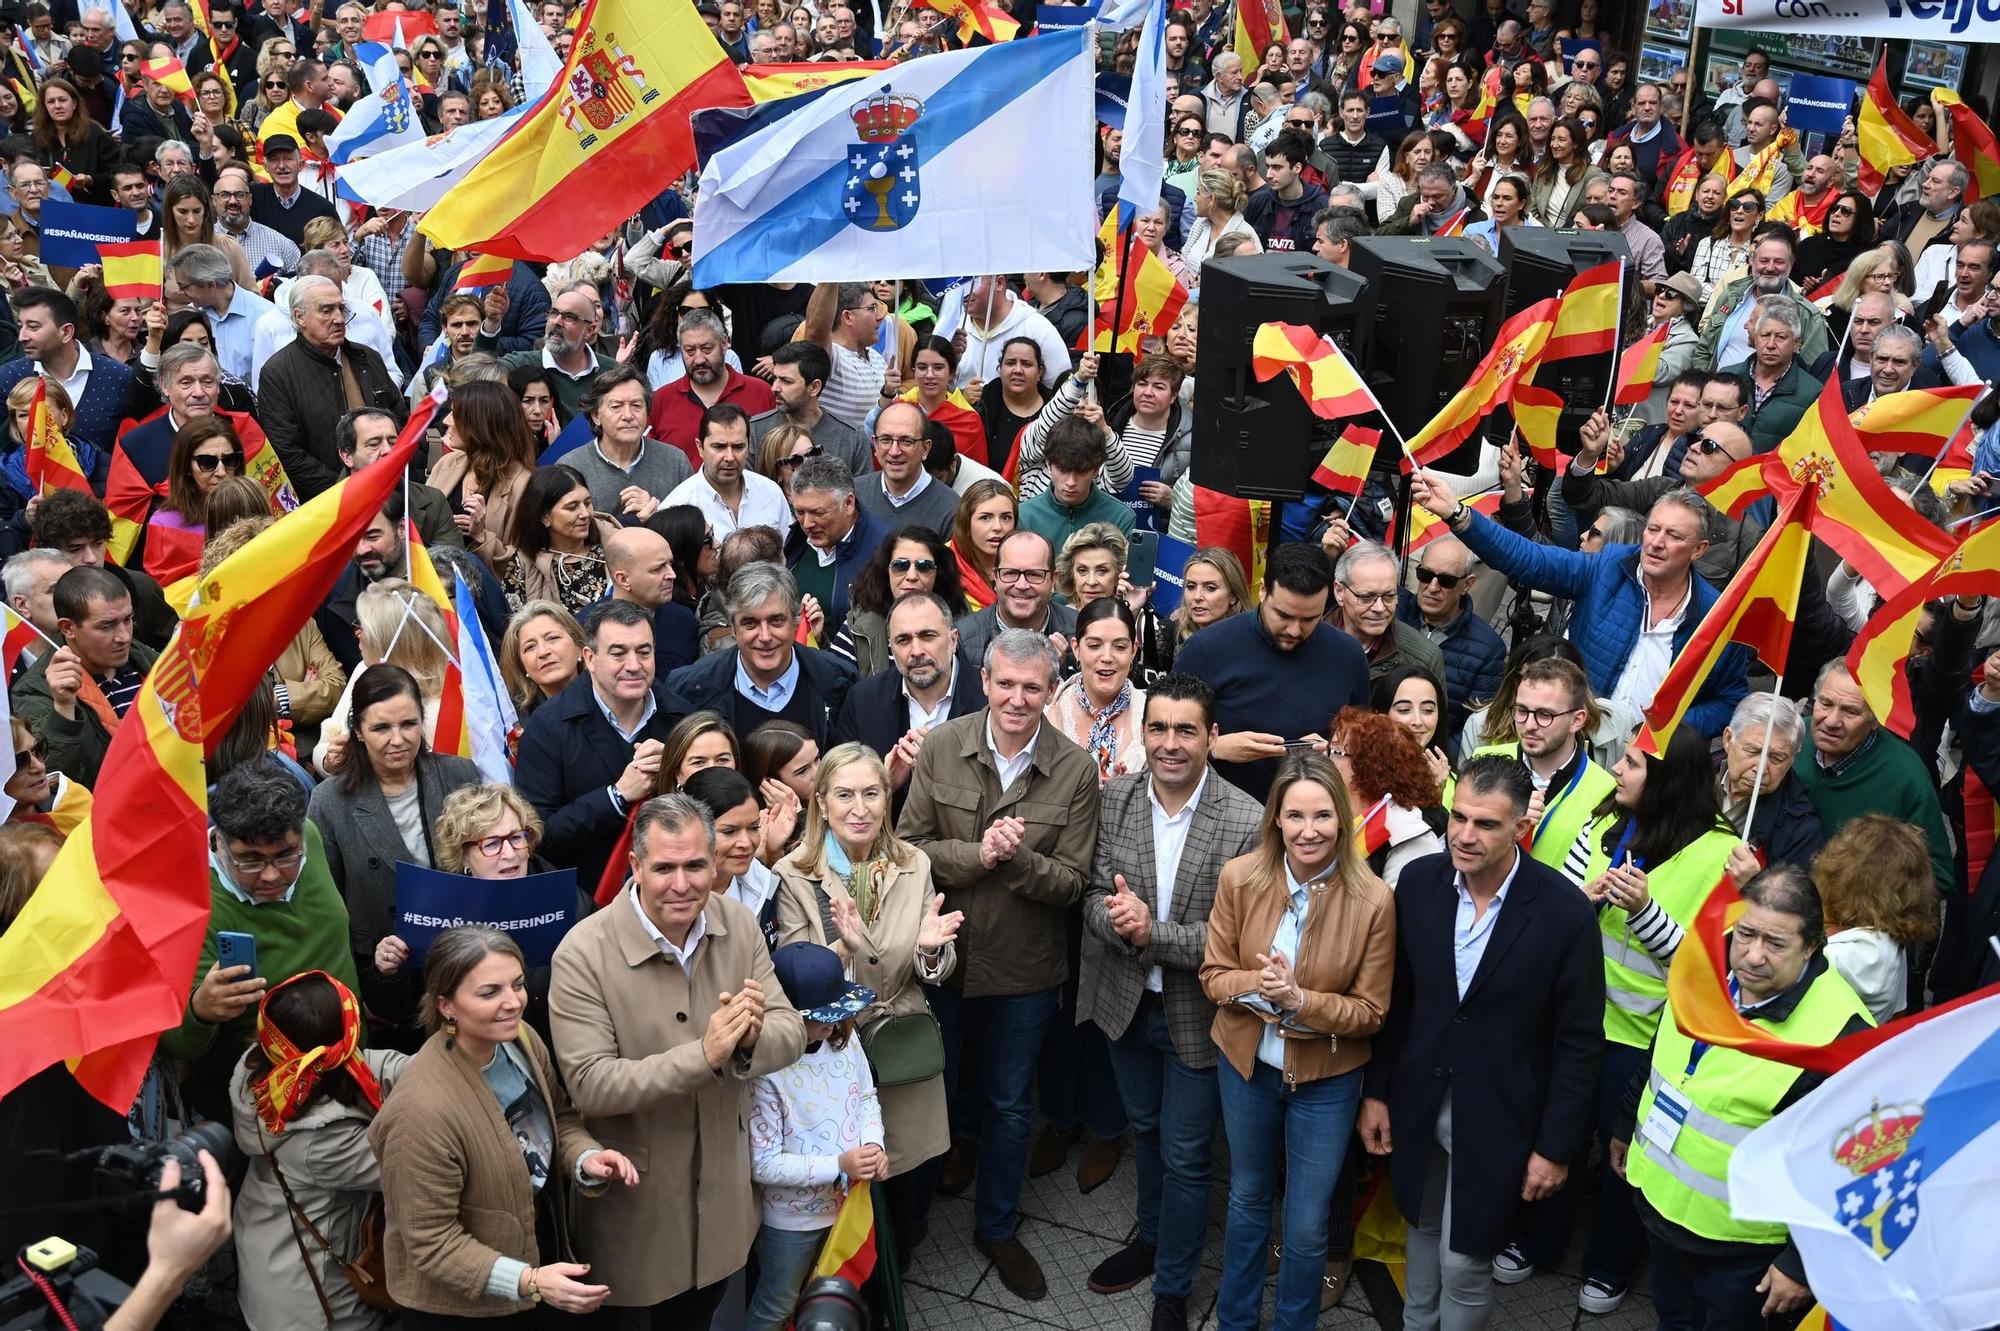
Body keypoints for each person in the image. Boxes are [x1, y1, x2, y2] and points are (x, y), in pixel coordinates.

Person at [1360, 756, 1605, 1331]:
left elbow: (1578, 1042)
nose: (1465, 836)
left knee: (1465, 1261)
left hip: (1500, 1114)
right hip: (1420, 1101)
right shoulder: (1419, 883)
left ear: (1521, 828)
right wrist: (1377, 1093)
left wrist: (1556, 1148)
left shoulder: (1564, 912)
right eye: (1459, 818)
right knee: (1419, 1233)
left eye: (1486, 825)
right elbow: (1399, 998)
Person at [548, 792, 807, 1326]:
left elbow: (790, 1031)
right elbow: (591, 1084)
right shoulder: (581, 954)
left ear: (715, 863)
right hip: (635, 1216)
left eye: (695, 865)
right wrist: (706, 1055)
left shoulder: (736, 923)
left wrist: (748, 1041)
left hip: (720, 1207)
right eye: (664, 867)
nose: (683, 883)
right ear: (635, 866)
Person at [897, 628, 1102, 1300]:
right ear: (983, 680)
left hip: (1025, 970)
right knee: (933, 1094)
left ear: (1051, 690)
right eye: (1005, 683)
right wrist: (978, 855)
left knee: (1013, 1107)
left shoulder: (1074, 768)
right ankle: (911, 1225)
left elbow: (1072, 882)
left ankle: (997, 1227)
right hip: (944, 962)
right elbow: (908, 848)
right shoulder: (941, 746)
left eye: (1032, 687)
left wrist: (1017, 861)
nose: (1017, 698)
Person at [1076, 673, 1259, 1329]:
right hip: (1127, 1002)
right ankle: (1150, 1237)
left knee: (1186, 1154)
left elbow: (1233, 940)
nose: (1171, 743)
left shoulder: (1244, 819)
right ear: (1143, 732)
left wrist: (1150, 930)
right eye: (1158, 727)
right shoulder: (1116, 798)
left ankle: (1173, 1287)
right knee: (1146, 1131)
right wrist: (1115, 920)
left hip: (1200, 1016)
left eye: (1186, 729)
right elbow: (1093, 893)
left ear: (1212, 736)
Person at [1614, 865, 1871, 1331]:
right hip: (1662, 1211)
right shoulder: (1704, 968)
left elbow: (1852, 1169)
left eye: (1775, 944)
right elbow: (1662, 1052)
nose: (1752, 956)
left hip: (1745, 1255)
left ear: (1812, 946)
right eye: (1746, 933)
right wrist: (1626, 1124)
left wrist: (1799, 1263)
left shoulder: (1841, 1038)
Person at [1200, 752, 1394, 1331]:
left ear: (1342, 820)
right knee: (1248, 1201)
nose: (1309, 831)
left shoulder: (1375, 900)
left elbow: (1371, 1012)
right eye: (1295, 816)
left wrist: (1299, 1001)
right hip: (1247, 1070)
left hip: (1326, 1084)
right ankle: (1234, 1321)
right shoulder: (1239, 878)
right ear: (1276, 821)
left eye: (1323, 816)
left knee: (1308, 1224)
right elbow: (1213, 976)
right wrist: (1256, 987)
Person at [371, 926, 640, 1324]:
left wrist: (585, 1158)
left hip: (533, 1264)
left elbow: (559, 1116)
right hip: (463, 1310)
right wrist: (530, 1281)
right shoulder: (419, 1114)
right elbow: (432, 1244)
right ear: (446, 1005)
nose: (513, 1002)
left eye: (516, 984)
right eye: (489, 992)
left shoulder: (522, 1041)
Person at [772, 744, 963, 1262]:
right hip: (835, 1051)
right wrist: (844, 951)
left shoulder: (914, 863)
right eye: (845, 794)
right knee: (841, 1186)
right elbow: (794, 973)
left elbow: (934, 972)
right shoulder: (794, 874)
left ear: (887, 799)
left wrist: (930, 951)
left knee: (906, 1186)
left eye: (872, 793)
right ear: (822, 804)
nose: (860, 808)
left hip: (901, 1041)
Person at [1410, 475, 1749, 738]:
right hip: (1576, 742)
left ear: (1699, 550)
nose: (1657, 543)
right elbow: (1529, 559)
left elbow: (1727, 701)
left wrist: (1662, 727)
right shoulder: (1605, 570)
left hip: (1649, 760)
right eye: (1653, 529)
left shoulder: (1716, 616)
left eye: (1674, 536)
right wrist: (1459, 515)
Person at [157, 760, 361, 1121]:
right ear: (217, 839)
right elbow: (179, 1043)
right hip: (269, 1110)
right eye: (249, 860)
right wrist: (201, 1011)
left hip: (351, 1075)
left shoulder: (310, 836)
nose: (270, 875)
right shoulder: (187, 901)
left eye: (285, 856)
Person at [311, 663, 482, 1047]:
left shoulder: (459, 775)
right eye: (381, 728)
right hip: (388, 976)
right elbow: (328, 905)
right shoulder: (330, 802)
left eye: (408, 724)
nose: (398, 739)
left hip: (463, 959)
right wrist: (358, 983)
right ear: (358, 731)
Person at [229, 969, 406, 1331]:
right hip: (316, 1301)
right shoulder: (320, 1143)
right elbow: (412, 1163)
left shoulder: (265, 1067)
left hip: (267, 1256)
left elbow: (371, 1064)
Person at [740, 940, 886, 1331]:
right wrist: (837, 1164)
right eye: (821, 1016)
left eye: (838, 1014)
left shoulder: (845, 1039)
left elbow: (867, 1097)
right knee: (777, 1305)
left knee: (836, 1301)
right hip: (791, 1221)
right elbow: (761, 1163)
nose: (833, 1024)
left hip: (849, 1203)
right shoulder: (764, 1075)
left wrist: (874, 1144)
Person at [515, 599, 691, 893]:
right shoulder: (547, 727)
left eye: (644, 652)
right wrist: (617, 796)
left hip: (676, 891)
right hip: (586, 902)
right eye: (618, 653)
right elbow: (537, 834)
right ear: (590, 658)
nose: (633, 666)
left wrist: (678, 775)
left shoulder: (683, 718)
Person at [1174, 542, 1370, 801]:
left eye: (1310, 619)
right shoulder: (1206, 650)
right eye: (1284, 615)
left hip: (1312, 813)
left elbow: (1361, 746)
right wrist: (1214, 748)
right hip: (1223, 812)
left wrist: (1334, 753)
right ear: (1263, 591)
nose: (1294, 630)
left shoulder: (1348, 655)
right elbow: (1166, 736)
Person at [1796, 660, 1954, 899]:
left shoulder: (1906, 776)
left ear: (1874, 720)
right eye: (1825, 703)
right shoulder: (1791, 739)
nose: (1831, 721)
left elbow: (1938, 876)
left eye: (1850, 711)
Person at [666, 561, 858, 745]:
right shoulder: (689, 689)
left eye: (776, 621)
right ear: (733, 627)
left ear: (796, 621)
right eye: (750, 623)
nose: (765, 636)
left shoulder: (839, 681)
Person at [11, 564, 157, 789]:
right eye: (106, 626)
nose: (123, 636)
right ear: (68, 628)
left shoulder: (149, 659)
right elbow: (51, 783)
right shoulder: (35, 689)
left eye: (128, 619)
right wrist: (63, 709)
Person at [258, 275, 405, 499]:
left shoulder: (368, 358)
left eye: (341, 309)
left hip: (388, 492)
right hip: (325, 504)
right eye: (326, 310)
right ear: (300, 318)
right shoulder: (278, 373)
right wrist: (346, 491)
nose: (338, 318)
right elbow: (287, 453)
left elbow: (399, 420)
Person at [830, 590, 986, 788]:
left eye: (928, 636)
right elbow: (843, 789)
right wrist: (885, 787)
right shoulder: (863, 701)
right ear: (891, 647)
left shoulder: (989, 697)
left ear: (953, 640)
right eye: (903, 640)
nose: (916, 651)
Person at [1330, 706, 1445, 887]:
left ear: (1367, 766)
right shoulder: (1333, 816)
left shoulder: (1411, 840)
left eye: (1336, 752)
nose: (1325, 758)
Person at [829, 525, 961, 678]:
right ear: (886, 572)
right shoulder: (858, 626)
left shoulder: (962, 624)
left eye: (924, 566)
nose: (911, 575)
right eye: (901, 566)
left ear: (939, 575)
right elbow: (833, 689)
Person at [784, 454, 887, 642]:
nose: (807, 523)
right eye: (799, 512)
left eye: (818, 512)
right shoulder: (795, 541)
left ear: (848, 503)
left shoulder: (884, 553)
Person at [1045, 597, 1147, 781]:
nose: (1107, 657)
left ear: (1134, 651)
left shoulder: (1151, 715)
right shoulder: (1048, 709)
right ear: (1076, 648)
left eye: (1120, 647)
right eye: (1094, 646)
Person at [662, 403, 794, 543]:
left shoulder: (770, 491)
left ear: (749, 445)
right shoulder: (678, 505)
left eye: (738, 447)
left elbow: (789, 554)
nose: (730, 457)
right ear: (700, 447)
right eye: (719, 447)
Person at [747, 339, 873, 477]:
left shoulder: (852, 438)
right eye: (775, 378)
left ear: (814, 387)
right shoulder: (754, 431)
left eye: (786, 381)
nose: (774, 388)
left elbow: (862, 494)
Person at [855, 399, 958, 538]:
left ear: (926, 448)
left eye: (906, 441)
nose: (894, 451)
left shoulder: (951, 508)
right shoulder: (854, 494)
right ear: (875, 444)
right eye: (885, 440)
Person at [951, 478, 1017, 610]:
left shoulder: (1028, 563)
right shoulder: (941, 562)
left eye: (1006, 518)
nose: (997, 527)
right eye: (985, 518)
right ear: (966, 523)